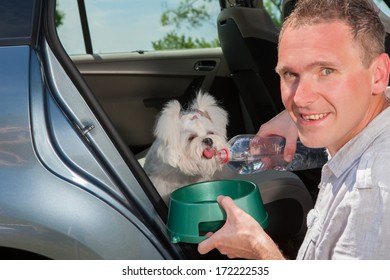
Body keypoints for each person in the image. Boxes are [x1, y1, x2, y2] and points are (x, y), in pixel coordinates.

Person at [197, 0, 390, 259]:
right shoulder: (357, 135)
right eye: (290, 74)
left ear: (378, 75)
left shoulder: (373, 193)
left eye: (326, 70)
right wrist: (294, 116)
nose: (300, 98)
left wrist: (260, 250)